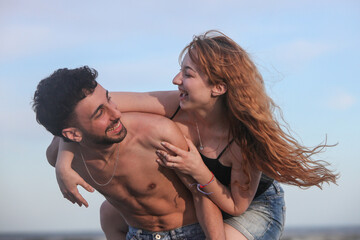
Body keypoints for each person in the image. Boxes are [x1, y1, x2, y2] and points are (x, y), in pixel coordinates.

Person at [54, 30, 339, 240]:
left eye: (187, 74)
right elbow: (90, 114)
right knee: (108, 213)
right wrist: (63, 165)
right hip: (204, 197)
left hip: (250, 206)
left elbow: (235, 205)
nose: (176, 80)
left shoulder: (244, 138)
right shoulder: (173, 105)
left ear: (218, 88)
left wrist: (199, 171)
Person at [33, 66, 227, 240]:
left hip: (190, 232)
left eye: (110, 99)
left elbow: (202, 194)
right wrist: (62, 165)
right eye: (100, 113)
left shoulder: (157, 134)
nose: (117, 114)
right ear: (73, 134)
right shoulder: (63, 158)